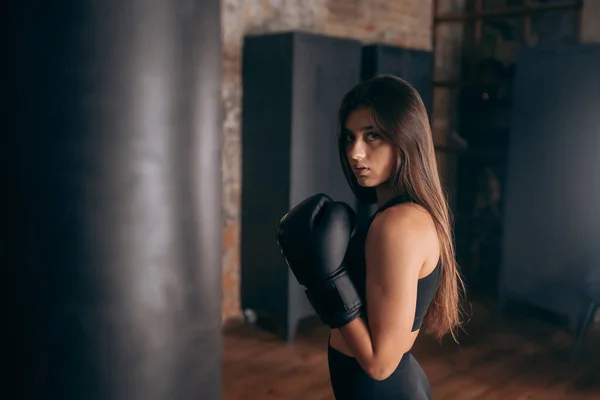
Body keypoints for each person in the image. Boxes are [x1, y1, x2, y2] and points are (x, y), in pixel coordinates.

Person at [276, 74, 465, 399]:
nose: (355, 153)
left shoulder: (397, 225)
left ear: (406, 138)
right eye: (350, 138)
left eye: (373, 136)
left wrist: (323, 281)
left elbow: (380, 364)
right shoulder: (407, 213)